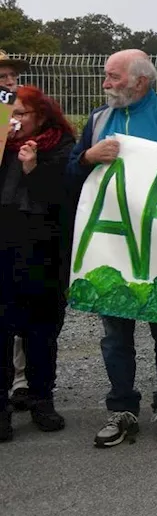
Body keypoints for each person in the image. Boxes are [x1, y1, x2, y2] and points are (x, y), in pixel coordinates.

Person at [67, 49, 157, 447]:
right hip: (112, 246)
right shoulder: (98, 120)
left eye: (113, 76)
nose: (106, 84)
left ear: (140, 81)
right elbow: (72, 172)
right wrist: (89, 157)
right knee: (115, 334)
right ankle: (121, 408)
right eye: (107, 76)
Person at [1, 85, 77, 441]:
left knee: (42, 333)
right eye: (11, 114)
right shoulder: (3, 146)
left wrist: (33, 169)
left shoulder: (61, 147)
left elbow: (63, 199)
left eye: (21, 114)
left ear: (42, 116)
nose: (14, 120)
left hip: (44, 254)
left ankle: (41, 400)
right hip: (5, 253)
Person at [0, 50, 31, 413]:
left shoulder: (26, 111)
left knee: (21, 301)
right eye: (2, 78)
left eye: (10, 76)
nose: (8, 83)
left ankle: (22, 380)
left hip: (20, 218)